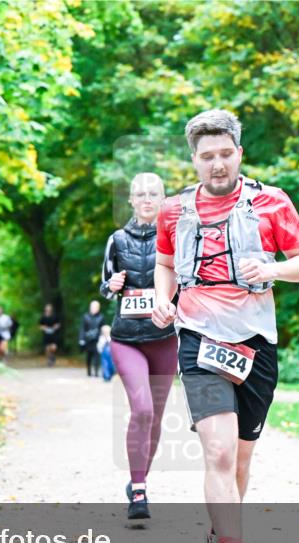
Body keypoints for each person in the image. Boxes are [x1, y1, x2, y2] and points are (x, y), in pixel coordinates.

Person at [151, 110, 299, 543]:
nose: (217, 164)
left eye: (226, 154)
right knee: (218, 453)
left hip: (256, 343)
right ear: (194, 160)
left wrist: (270, 267)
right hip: (199, 338)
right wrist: (164, 298)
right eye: (207, 157)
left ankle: (216, 536)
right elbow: (163, 263)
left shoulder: (272, 202)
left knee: (241, 459)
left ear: (239, 154)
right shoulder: (174, 211)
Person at [100, 172, 177, 521]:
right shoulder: (116, 240)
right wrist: (111, 285)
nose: (147, 199)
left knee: (156, 417)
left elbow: (189, 282)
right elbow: (103, 286)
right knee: (142, 410)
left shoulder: (176, 236)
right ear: (131, 200)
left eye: (154, 194)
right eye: (140, 194)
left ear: (163, 199)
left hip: (164, 338)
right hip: (127, 339)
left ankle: (139, 479)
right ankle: (140, 489)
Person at [78, 300, 105, 377]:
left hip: (97, 339)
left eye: (96, 307)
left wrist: (103, 337)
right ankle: (89, 371)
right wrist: (81, 339)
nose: (94, 308)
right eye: (93, 307)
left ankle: (96, 371)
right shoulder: (85, 316)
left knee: (97, 355)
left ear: (98, 308)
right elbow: (82, 328)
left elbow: (103, 328)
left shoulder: (101, 317)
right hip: (88, 339)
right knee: (89, 355)